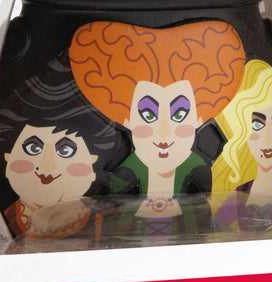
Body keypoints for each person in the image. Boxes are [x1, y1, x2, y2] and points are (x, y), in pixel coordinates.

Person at [69, 20, 245, 237]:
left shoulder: (197, 168)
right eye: (148, 115)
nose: (163, 132)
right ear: (127, 120)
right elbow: (114, 212)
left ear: (199, 119)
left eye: (179, 115)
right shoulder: (127, 171)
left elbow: (205, 206)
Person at [0, 58, 125, 240]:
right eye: (33, 148)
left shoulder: (106, 225)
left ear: (93, 160)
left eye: (66, 151)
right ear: (8, 156)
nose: (47, 166)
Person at [212, 59, 272, 232]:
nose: (268, 139)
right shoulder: (239, 192)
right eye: (257, 125)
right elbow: (218, 225)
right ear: (241, 130)